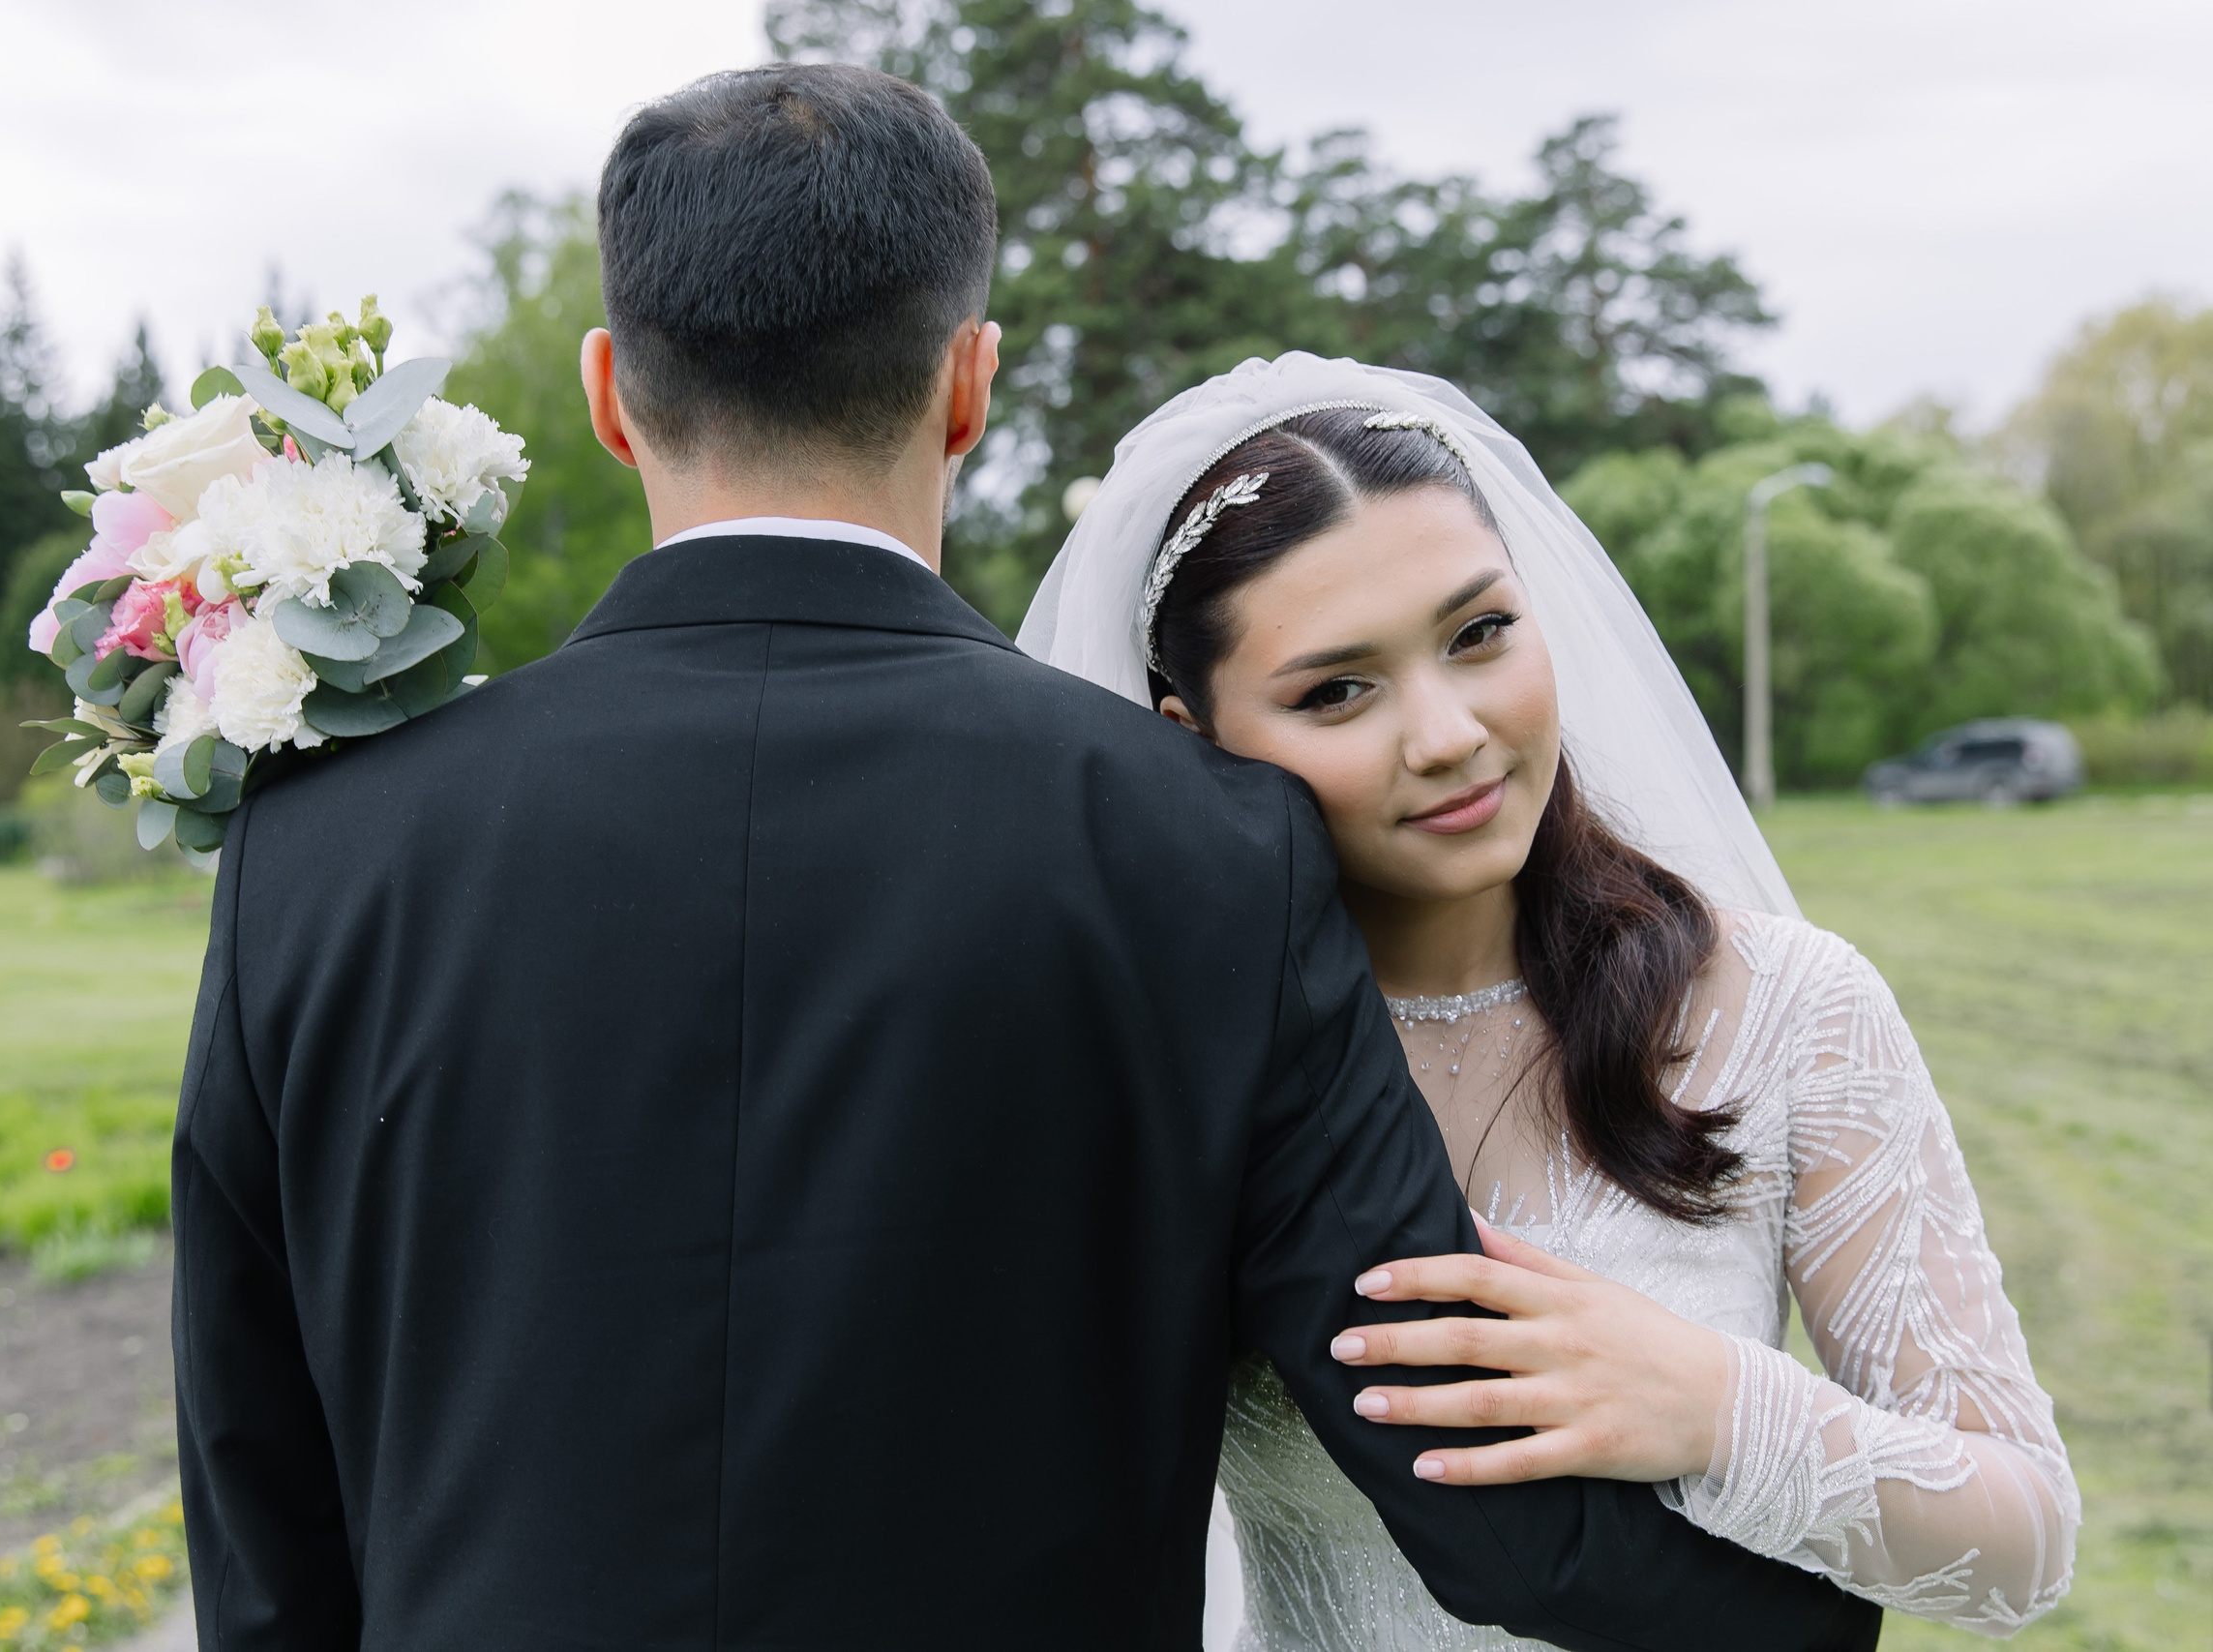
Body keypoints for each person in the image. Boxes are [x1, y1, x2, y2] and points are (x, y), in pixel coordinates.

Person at [167, 67, 1878, 1648]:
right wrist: (1826, 1620)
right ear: (971, 383)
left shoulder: (321, 853)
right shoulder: (1207, 847)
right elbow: (1452, 1466)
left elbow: (261, 1513)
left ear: (614, 398)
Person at [1020, 356, 2080, 1648]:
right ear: (1191, 739)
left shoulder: (1787, 1009)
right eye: (1338, 690)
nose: (1452, 732)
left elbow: (2024, 1547)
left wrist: (1715, 1410)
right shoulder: (1172, 1064)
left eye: (1480, 635)